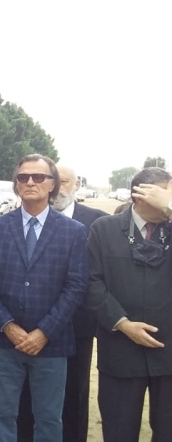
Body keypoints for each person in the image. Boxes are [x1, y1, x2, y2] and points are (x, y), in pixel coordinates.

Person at [0, 154, 88, 442]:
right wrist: (8, 326)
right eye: (23, 177)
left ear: (52, 184)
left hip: (51, 344)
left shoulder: (73, 232)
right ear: (16, 184)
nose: (30, 182)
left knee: (49, 418)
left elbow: (75, 287)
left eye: (38, 177)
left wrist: (43, 332)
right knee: (2, 415)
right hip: (3, 341)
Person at [16, 165, 106, 442]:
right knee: (27, 396)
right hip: (27, 328)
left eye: (63, 181)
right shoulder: (28, 217)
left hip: (75, 327)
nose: (58, 189)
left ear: (75, 184)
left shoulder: (96, 222)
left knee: (74, 394)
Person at [85, 167, 172, 441]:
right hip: (120, 351)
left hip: (169, 353)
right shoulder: (105, 229)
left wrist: (169, 208)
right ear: (143, 196)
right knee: (119, 431)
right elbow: (91, 283)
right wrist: (122, 323)